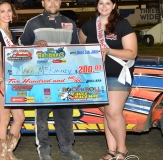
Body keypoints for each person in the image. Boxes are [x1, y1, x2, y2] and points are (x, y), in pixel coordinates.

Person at [18, 0, 83, 160]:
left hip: (65, 80)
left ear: (60, 2)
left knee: (66, 117)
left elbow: (76, 50)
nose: (52, 3)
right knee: (41, 119)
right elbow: (19, 48)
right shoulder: (33, 23)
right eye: (49, 0)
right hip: (42, 81)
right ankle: (44, 152)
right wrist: (34, 47)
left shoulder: (70, 24)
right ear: (43, 2)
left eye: (56, 0)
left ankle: (66, 149)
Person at [79, 0, 137, 160]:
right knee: (107, 113)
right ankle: (112, 151)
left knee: (112, 112)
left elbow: (132, 53)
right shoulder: (89, 25)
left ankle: (122, 150)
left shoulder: (122, 25)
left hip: (117, 74)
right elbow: (80, 45)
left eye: (107, 3)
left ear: (114, 6)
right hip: (95, 76)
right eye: (101, 3)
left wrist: (109, 50)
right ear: (97, 6)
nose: (104, 6)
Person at [0, 1, 25, 160]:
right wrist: (1, 79)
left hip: (13, 81)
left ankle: (7, 151)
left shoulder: (11, 33)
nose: (6, 14)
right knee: (4, 119)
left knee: (19, 118)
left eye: (9, 10)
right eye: (2, 11)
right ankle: (0, 155)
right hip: (1, 80)